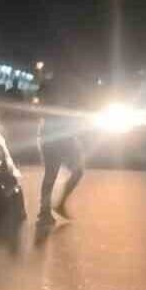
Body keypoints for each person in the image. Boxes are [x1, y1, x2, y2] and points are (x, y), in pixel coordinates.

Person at [37, 87, 86, 229]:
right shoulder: (57, 88)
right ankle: (46, 210)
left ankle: (52, 207)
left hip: (61, 136)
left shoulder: (64, 87)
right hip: (54, 137)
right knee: (52, 174)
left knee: (76, 171)